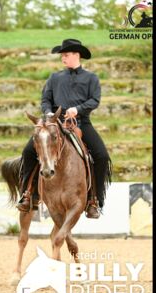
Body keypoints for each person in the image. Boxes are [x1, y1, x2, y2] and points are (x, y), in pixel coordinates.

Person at [17, 39, 112, 218]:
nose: (63, 58)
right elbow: (45, 100)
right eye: (62, 55)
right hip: (54, 124)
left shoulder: (91, 78)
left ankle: (95, 201)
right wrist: (48, 113)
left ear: (76, 55)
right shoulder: (54, 77)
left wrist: (78, 109)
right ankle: (28, 194)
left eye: (66, 55)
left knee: (101, 156)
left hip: (81, 123)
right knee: (28, 152)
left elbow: (95, 100)